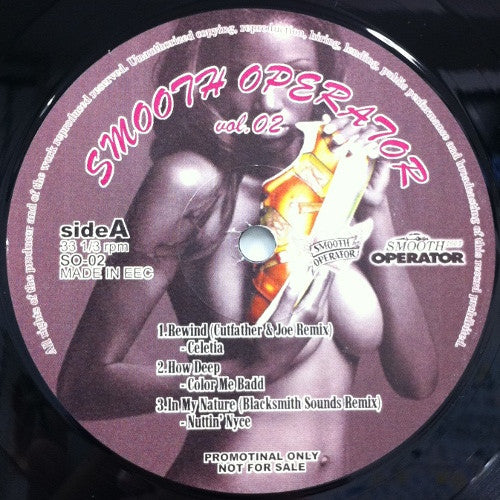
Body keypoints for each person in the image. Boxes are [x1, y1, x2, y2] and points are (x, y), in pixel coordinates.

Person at [57, 10, 438, 494]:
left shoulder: (337, 184)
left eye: (294, 76)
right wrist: (253, 371)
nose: (269, 102)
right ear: (206, 81)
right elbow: (82, 386)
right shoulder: (190, 183)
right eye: (243, 78)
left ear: (324, 79)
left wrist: (375, 212)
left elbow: (417, 381)